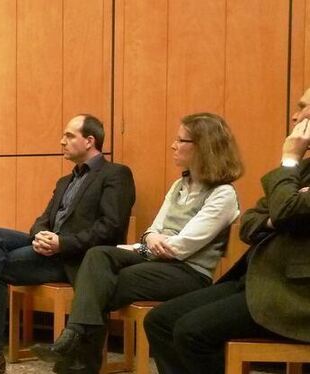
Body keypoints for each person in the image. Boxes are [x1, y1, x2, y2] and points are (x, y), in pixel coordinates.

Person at [32, 113, 244, 374]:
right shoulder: (180, 184)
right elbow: (152, 230)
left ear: (202, 146)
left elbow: (182, 247)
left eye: (180, 140)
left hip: (189, 273)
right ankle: (76, 343)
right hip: (155, 259)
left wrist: (155, 241)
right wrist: (152, 238)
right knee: (97, 256)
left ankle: (78, 354)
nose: (173, 145)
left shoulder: (223, 194)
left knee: (99, 283)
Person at [0, 114, 136, 373]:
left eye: (69, 136)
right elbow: (42, 220)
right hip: (50, 250)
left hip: (81, 259)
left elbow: (111, 228)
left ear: (90, 141)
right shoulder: (65, 181)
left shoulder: (115, 174)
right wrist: (40, 235)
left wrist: (63, 243)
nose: (62, 141)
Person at [144, 89, 310, 374]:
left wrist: (289, 161)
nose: (295, 115)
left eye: (303, 107)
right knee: (159, 320)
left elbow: (283, 209)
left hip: (293, 294)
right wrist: (277, 216)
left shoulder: (293, 166)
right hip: (258, 281)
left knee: (191, 332)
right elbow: (250, 222)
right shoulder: (302, 171)